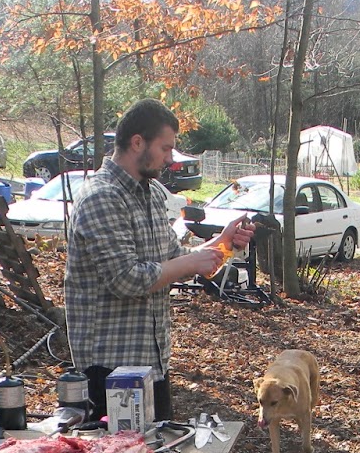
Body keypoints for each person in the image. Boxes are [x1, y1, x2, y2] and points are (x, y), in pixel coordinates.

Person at [65, 98, 253, 423]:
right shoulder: (101, 197)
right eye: (165, 149)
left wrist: (224, 245)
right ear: (137, 142)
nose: (169, 159)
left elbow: (177, 258)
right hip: (107, 373)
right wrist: (193, 262)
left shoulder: (150, 194)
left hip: (153, 365)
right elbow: (127, 278)